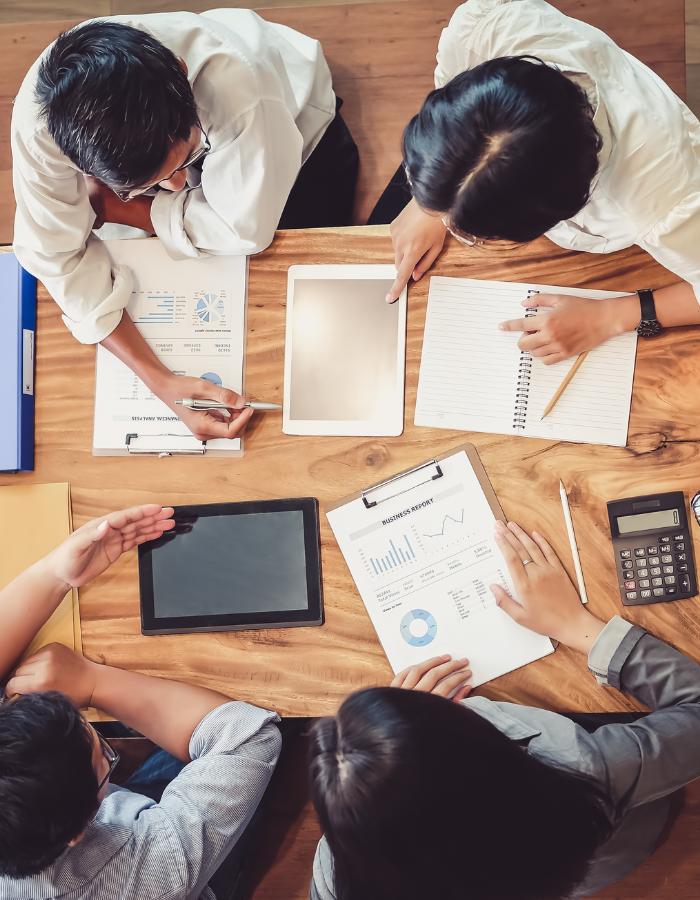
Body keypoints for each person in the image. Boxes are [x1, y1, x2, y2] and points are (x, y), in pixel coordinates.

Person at [308, 518, 700, 899]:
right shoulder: (584, 769)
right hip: (612, 842)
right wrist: (577, 625)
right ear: (482, 751)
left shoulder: (336, 876)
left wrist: (387, 762)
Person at [11, 12, 358, 440]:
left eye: (187, 159)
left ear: (180, 68)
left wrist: (128, 209)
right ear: (77, 162)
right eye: (150, 185)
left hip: (297, 126)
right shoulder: (40, 129)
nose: (177, 186)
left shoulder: (239, 89)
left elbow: (244, 229)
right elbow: (57, 258)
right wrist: (162, 384)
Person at [374, 0, 700, 365]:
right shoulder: (484, 29)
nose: (453, 226)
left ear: (561, 206)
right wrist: (437, 198)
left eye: (472, 233)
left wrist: (612, 315)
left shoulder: (665, 202)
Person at [0, 504, 281, 899]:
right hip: (164, 856)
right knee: (269, 704)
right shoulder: (150, 873)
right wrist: (93, 682)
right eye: (104, 756)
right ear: (79, 831)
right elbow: (248, 735)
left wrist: (55, 574)